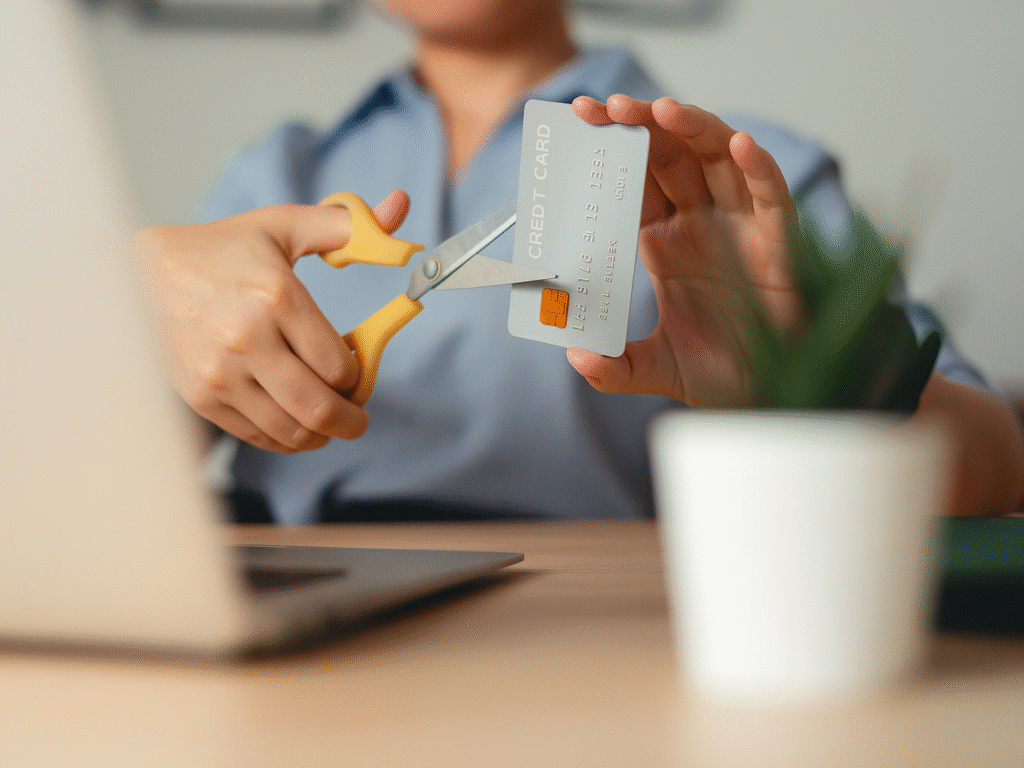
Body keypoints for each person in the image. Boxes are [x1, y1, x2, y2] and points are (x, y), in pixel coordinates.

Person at [136, 0, 1024, 523]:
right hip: (298, 612)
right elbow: (92, 480)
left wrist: (807, 393)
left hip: (608, 623)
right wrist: (136, 298)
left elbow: (997, 461)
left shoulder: (746, 179)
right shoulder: (275, 176)